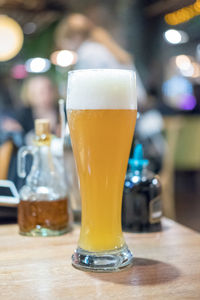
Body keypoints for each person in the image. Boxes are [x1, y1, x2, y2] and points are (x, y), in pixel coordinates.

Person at [55, 13, 146, 104]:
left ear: (75, 37)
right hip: (133, 102)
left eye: (65, 42)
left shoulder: (87, 53)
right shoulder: (103, 47)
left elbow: (88, 93)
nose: (65, 48)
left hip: (120, 103)